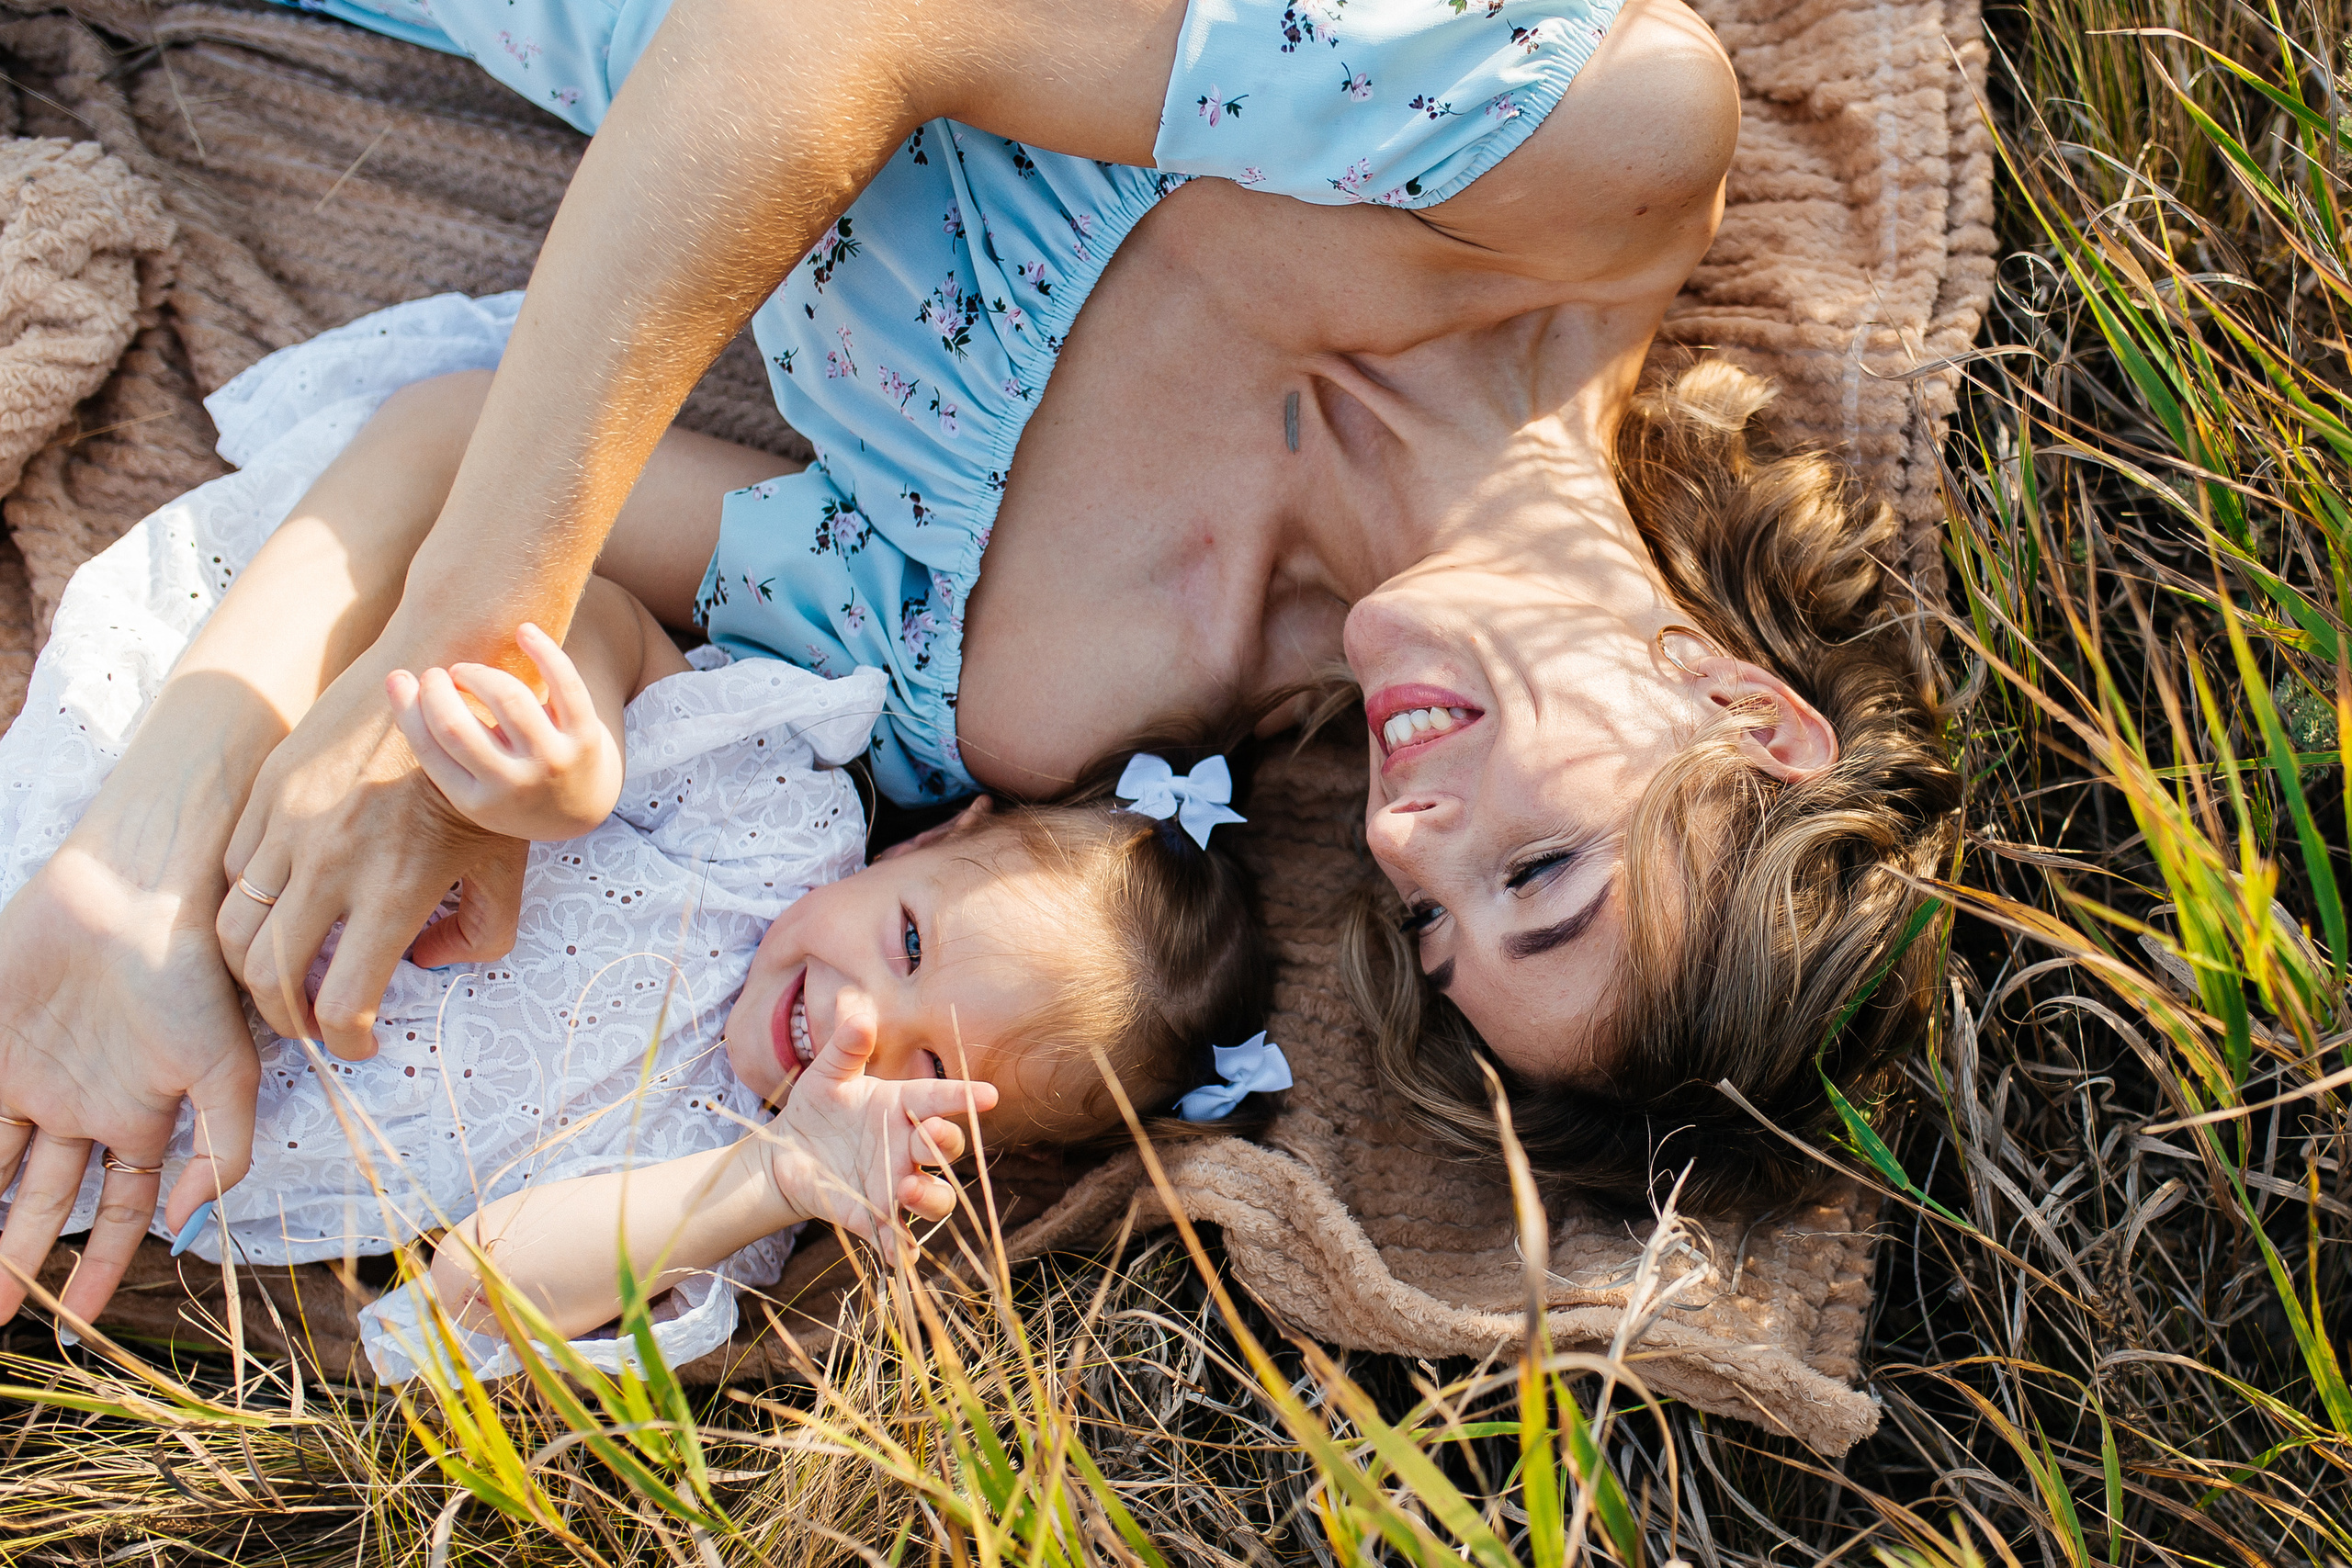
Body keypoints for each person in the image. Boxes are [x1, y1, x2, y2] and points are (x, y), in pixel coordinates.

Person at [0, 0, 1960, 1325]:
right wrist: (474, 611)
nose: (1410, 820)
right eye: (1536, 870)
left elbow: (465, 463)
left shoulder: (1033, 700)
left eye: (1429, 908)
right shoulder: (1597, 155)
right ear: (1746, 714)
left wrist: (154, 859)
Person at [0, 339, 1277, 1371]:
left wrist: (767, 1178)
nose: (854, 1023)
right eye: (906, 943)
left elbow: (478, 1287)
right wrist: (574, 773)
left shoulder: (736, 1181)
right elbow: (600, 616)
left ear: (958, 1144)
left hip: (173, 1124)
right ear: (939, 836)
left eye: (931, 1062)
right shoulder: (778, 828)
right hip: (233, 833)